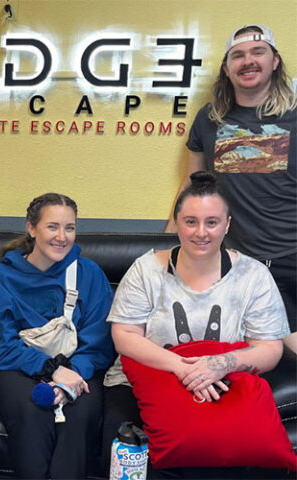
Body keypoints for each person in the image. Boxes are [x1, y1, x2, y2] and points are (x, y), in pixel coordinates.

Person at [107, 172, 288, 475]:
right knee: (126, 452)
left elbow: (269, 348)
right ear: (177, 223)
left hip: (223, 381)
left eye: (212, 222)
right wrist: (183, 367)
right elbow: (124, 335)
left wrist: (220, 364)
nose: (200, 232)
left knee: (225, 452)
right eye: (190, 221)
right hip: (142, 382)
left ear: (227, 225)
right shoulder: (146, 269)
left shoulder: (254, 276)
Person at [167, 25, 296, 354]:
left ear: (275, 61)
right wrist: (168, 239)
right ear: (226, 68)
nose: (247, 61)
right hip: (239, 263)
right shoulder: (209, 119)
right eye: (237, 55)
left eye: (258, 52)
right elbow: (193, 185)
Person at [0, 193, 114, 479]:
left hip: (78, 368)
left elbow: (99, 343)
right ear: (32, 228)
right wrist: (52, 371)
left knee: (78, 418)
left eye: (70, 228)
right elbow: (2, 345)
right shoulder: (5, 276)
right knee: (33, 412)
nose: (62, 237)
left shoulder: (89, 273)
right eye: (52, 227)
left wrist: (70, 379)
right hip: (15, 367)